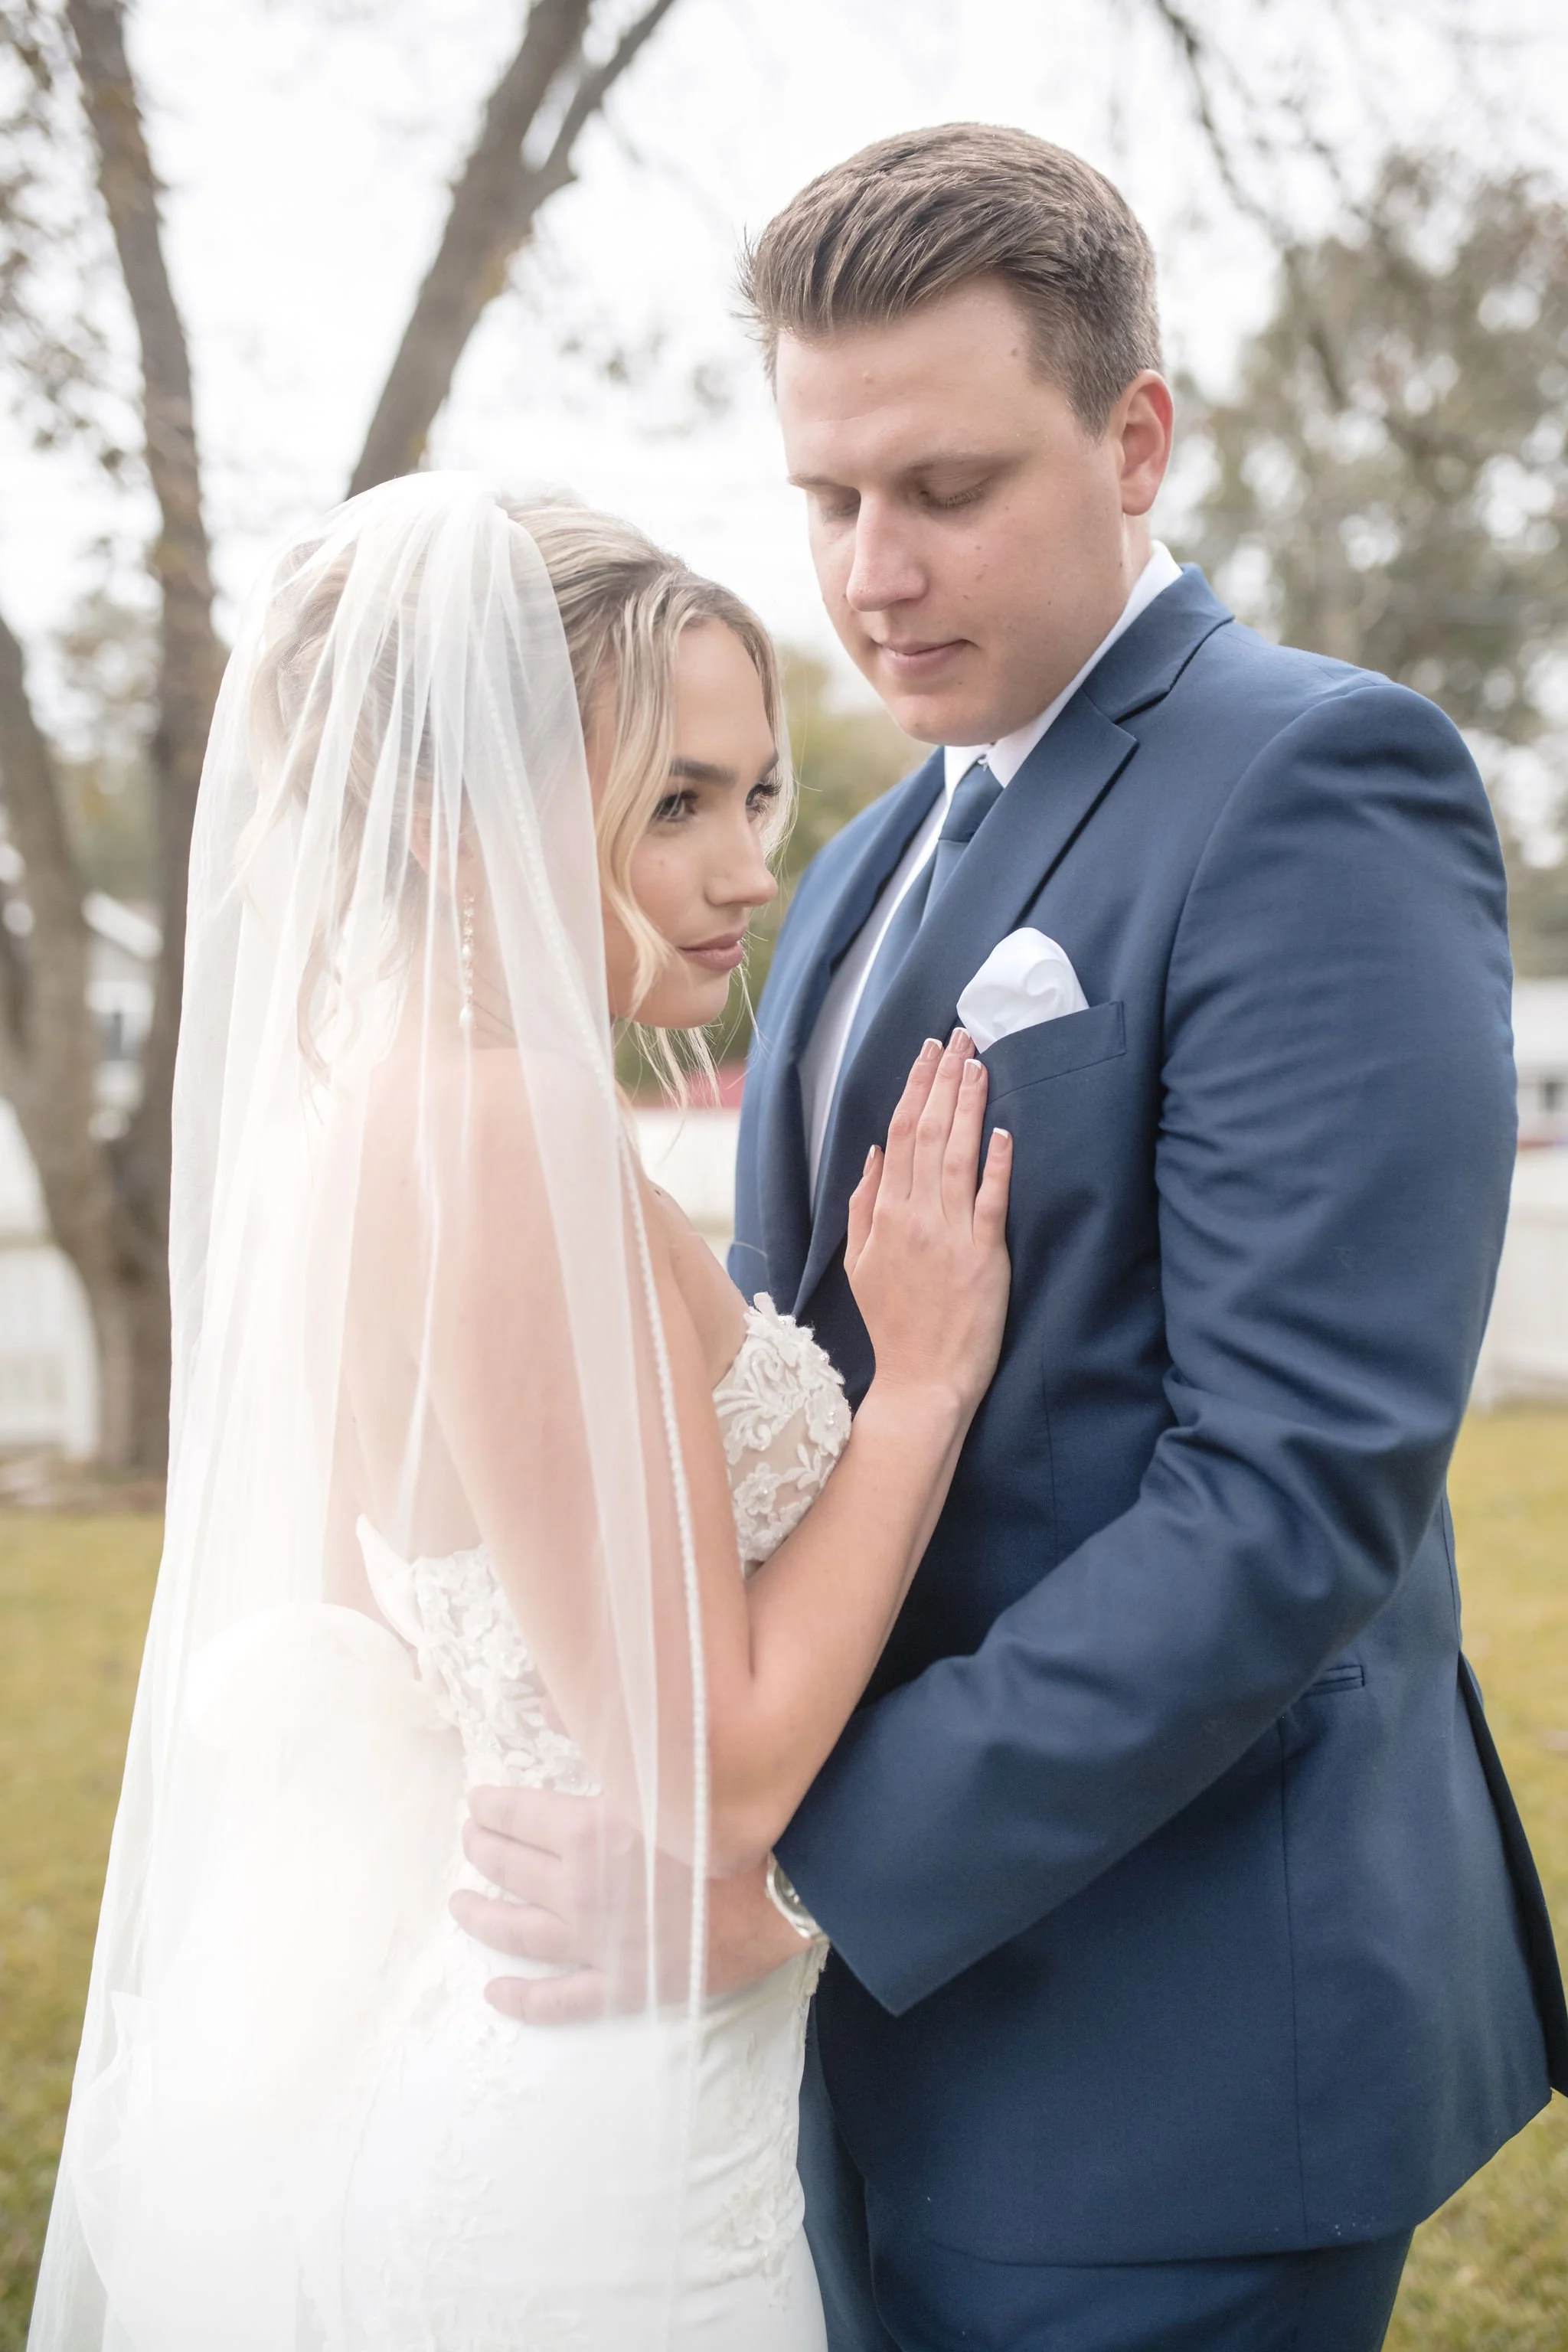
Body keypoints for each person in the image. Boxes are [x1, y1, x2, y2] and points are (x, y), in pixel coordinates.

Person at [462, 129, 1568, 2352]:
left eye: (947, 489)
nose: (871, 570)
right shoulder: (867, 864)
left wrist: (786, 1877)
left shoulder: (1315, 787)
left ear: (1137, 437)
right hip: (862, 2051)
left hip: (1165, 2063)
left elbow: (1287, 1498)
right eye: (827, 497)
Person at [28, 476, 1013, 2351]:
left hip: (559, 2049)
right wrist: (923, 1384)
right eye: (671, 803)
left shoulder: (373, 1111)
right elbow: (707, 1778)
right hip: (599, 2143)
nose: (745, 869)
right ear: (445, 810)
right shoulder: (503, 1130)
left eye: (754, 796)